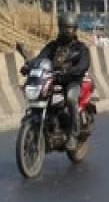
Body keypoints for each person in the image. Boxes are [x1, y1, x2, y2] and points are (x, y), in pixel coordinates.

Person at [30, 13, 91, 151]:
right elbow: (40, 58)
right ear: (60, 28)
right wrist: (29, 66)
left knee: (70, 99)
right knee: (42, 97)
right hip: (55, 80)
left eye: (71, 28)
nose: (68, 31)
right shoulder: (52, 46)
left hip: (73, 81)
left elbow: (84, 64)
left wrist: (72, 70)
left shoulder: (80, 48)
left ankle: (73, 136)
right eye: (65, 28)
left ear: (75, 29)